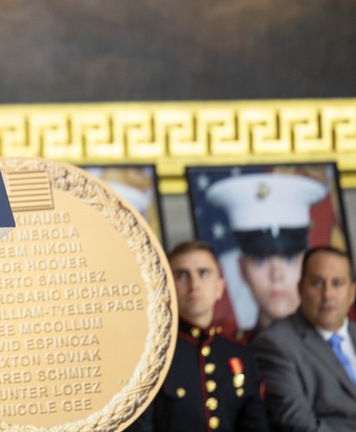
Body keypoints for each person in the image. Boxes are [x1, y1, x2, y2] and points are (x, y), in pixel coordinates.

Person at [130, 240, 269, 432]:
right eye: (181, 275)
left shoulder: (239, 352)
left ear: (220, 287)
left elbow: (255, 425)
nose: (194, 285)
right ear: (166, 288)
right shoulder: (150, 356)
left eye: (203, 273)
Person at [205, 172, 327, 336]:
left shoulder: (342, 343)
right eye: (260, 260)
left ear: (307, 266)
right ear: (242, 270)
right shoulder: (233, 352)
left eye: (289, 259)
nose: (276, 275)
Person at [250, 247, 356, 431]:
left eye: (337, 283)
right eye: (317, 283)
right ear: (300, 288)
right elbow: (297, 423)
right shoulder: (274, 344)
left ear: (352, 292)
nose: (328, 294)